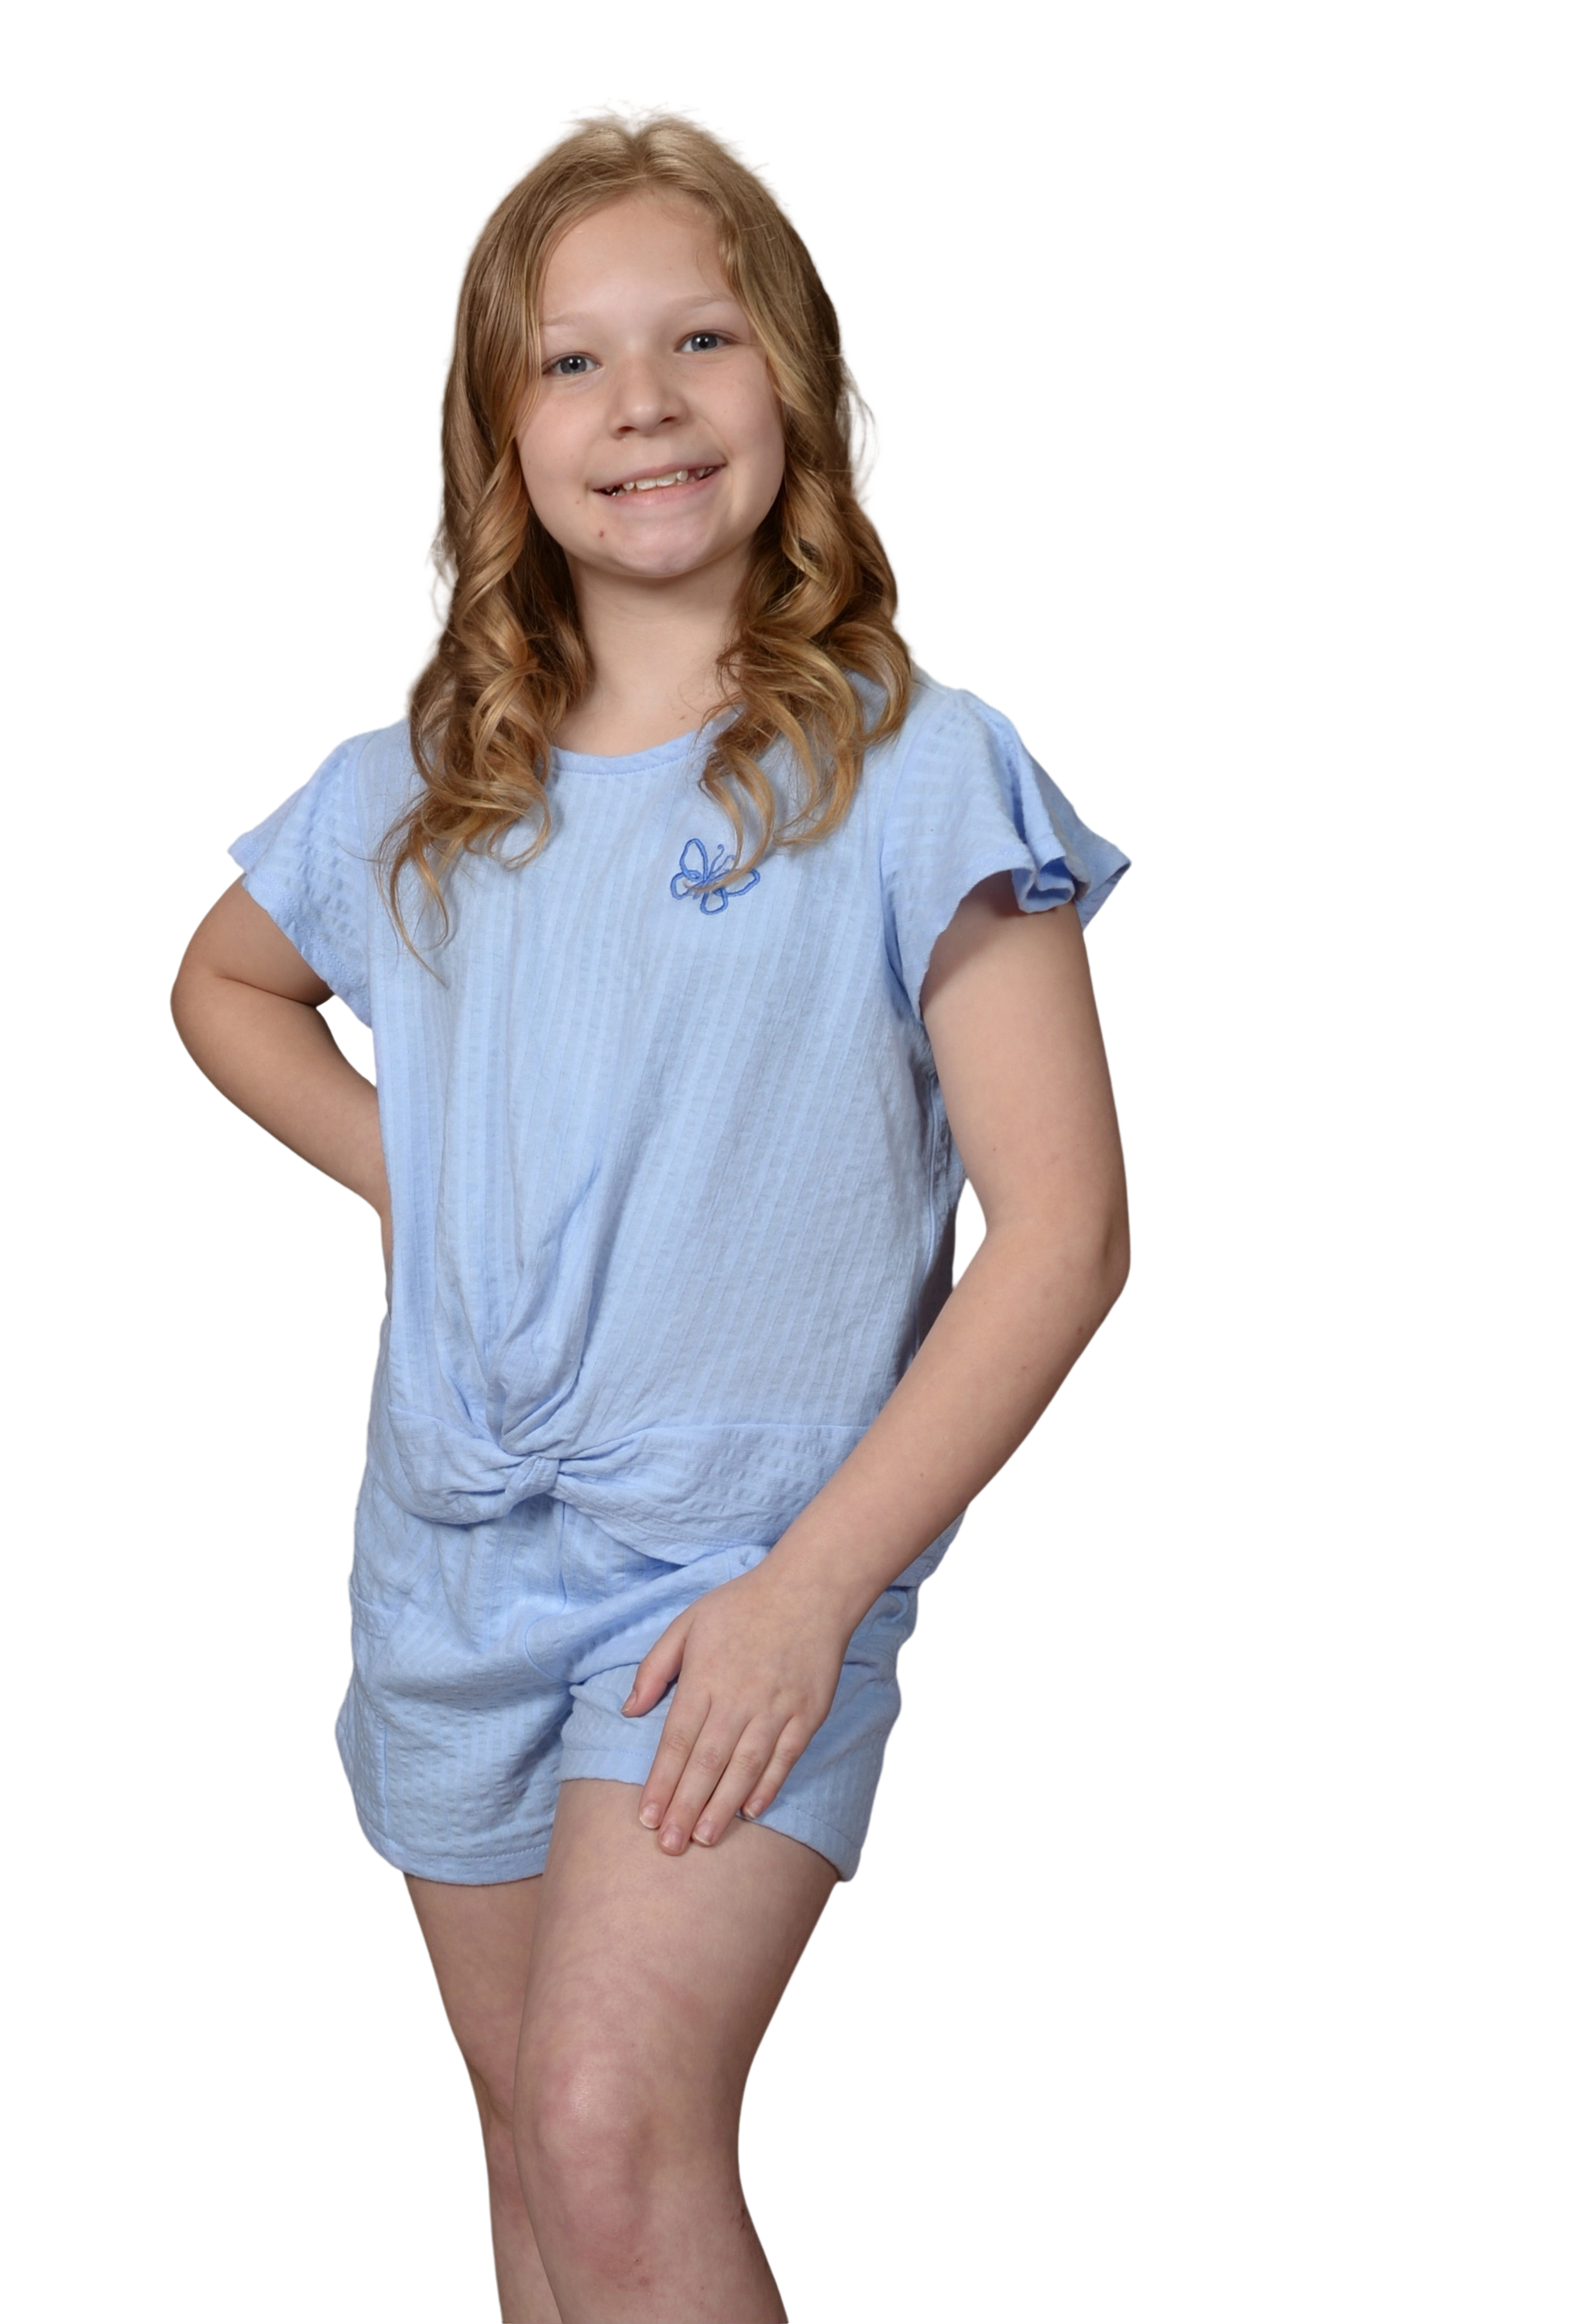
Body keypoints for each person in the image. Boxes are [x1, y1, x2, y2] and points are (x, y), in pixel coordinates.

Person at [168, 95, 1135, 2324]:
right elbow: (223, 986)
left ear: (796, 373)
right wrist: (425, 1185)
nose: (645, 405)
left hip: (740, 1572)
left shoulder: (918, 770)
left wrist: (811, 1594)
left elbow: (1066, 1238)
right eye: (573, 360)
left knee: (618, 2130)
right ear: (499, 436)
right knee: (536, 2149)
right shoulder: (415, 787)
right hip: (449, 1556)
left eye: (701, 337)